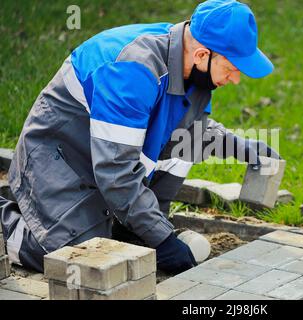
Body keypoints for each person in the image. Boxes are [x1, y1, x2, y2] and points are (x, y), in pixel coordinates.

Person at [0, 0, 280, 274]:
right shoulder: (133, 69)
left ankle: (132, 226)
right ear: (202, 55)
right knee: (78, 258)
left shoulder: (193, 73)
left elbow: (189, 132)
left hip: (99, 158)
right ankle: (6, 223)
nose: (235, 79)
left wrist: (240, 146)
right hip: (56, 157)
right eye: (232, 69)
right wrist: (164, 240)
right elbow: (116, 172)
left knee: (183, 149)